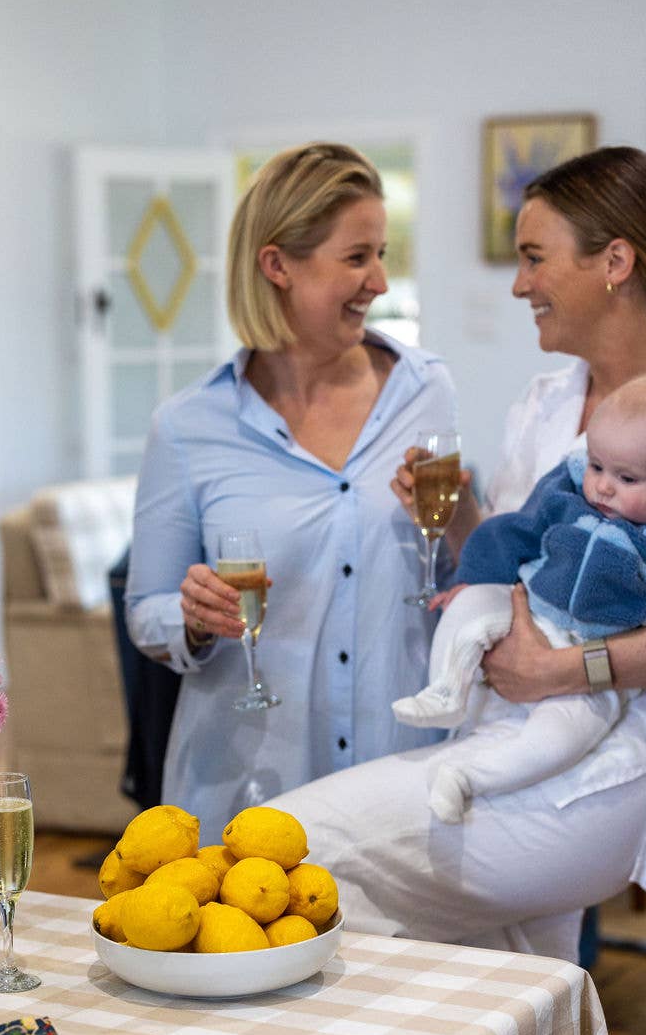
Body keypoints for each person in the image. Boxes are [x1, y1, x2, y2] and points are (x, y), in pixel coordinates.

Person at [271, 144, 646, 1035]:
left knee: (295, 845)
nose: (517, 283)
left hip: (609, 768)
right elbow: (518, 554)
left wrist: (574, 667)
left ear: (616, 261)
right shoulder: (546, 403)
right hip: (505, 736)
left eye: (536, 256)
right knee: (520, 1023)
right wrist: (454, 542)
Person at [125, 142, 458, 843]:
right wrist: (190, 617)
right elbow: (146, 612)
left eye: (381, 254)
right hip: (248, 788)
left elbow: (454, 568)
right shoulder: (188, 426)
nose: (380, 281)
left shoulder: (424, 391)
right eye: (357, 257)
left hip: (399, 782)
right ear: (277, 265)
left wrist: (463, 516)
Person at [394, 374, 646, 822]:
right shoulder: (567, 492)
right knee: (469, 603)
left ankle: (469, 777)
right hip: (528, 604)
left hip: (595, 657)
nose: (603, 487)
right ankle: (445, 688)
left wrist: (562, 669)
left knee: (563, 738)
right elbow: (512, 532)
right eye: (597, 467)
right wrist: (476, 579)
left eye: (627, 478)